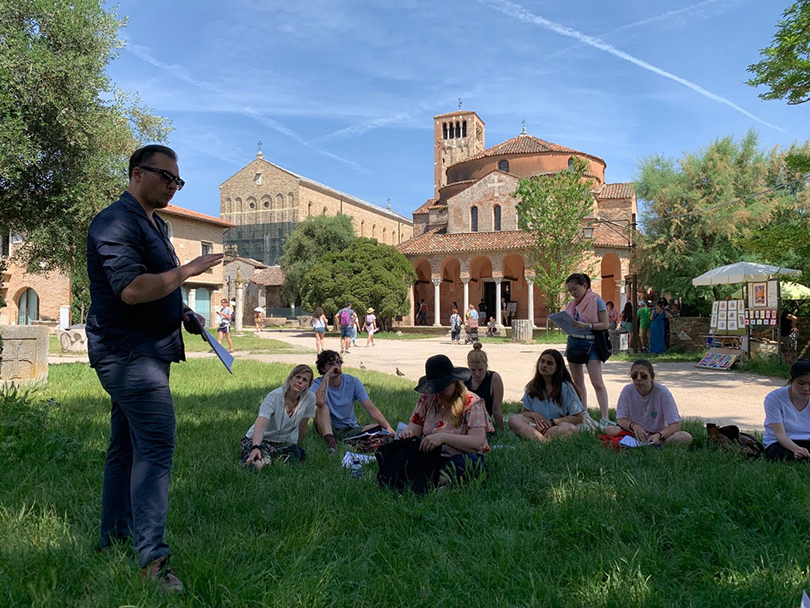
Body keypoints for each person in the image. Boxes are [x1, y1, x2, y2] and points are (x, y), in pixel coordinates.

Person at [86, 144, 223, 592]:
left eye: (177, 181)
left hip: (150, 350)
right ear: (137, 174)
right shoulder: (114, 222)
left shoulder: (156, 224)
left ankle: (113, 537)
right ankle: (152, 562)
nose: (172, 186)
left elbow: (158, 287)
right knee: (156, 449)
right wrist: (191, 269)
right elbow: (130, 289)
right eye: (166, 177)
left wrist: (183, 312)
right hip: (126, 354)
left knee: (125, 446)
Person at [397, 354, 493, 489]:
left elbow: (478, 443)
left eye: (442, 388)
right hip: (431, 457)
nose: (438, 393)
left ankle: (430, 481)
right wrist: (408, 433)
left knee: (470, 463)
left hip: (461, 457)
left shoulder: (472, 403)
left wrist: (443, 438)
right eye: (434, 388)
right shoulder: (427, 399)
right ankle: (437, 482)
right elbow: (414, 429)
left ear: (454, 382)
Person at [311, 350, 394, 453]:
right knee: (323, 407)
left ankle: (352, 443)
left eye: (338, 362)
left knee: (379, 429)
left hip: (348, 428)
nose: (336, 366)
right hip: (327, 426)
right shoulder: (317, 383)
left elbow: (370, 407)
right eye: (331, 364)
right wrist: (327, 376)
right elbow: (319, 401)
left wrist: (388, 427)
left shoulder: (353, 382)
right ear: (323, 368)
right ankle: (331, 444)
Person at [241, 364, 316, 467]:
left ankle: (271, 460)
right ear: (291, 378)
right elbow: (261, 423)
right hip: (261, 439)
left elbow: (303, 426)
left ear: (308, 385)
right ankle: (259, 461)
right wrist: (255, 446)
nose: (300, 381)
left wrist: (298, 443)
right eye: (297, 377)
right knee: (259, 461)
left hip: (284, 442)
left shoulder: (310, 398)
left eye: (304, 380)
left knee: (299, 455)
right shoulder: (274, 396)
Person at [603, 360, 692, 446]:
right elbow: (621, 419)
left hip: (660, 434)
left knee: (685, 437)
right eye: (634, 376)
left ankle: (657, 443)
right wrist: (634, 426)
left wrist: (659, 435)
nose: (638, 379)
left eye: (643, 376)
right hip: (635, 433)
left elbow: (675, 425)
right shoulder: (627, 390)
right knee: (610, 430)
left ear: (652, 377)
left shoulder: (663, 393)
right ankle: (646, 443)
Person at [564, 273, 611, 427]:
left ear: (584, 285)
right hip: (574, 342)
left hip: (592, 344)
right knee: (577, 381)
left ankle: (605, 417)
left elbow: (605, 324)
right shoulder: (571, 305)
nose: (573, 293)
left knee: (597, 381)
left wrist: (587, 325)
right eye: (570, 291)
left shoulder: (596, 301)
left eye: (575, 289)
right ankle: (582, 413)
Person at [509, 349, 584, 442]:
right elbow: (525, 412)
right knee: (514, 420)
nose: (544, 365)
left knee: (569, 429)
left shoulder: (566, 387)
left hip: (558, 426)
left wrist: (553, 422)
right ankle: (543, 441)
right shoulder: (532, 386)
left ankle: (537, 439)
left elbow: (579, 417)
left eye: (550, 363)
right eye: (542, 361)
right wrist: (535, 415)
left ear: (557, 368)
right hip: (537, 425)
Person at [763, 359, 810, 460]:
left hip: (807, 439)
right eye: (801, 383)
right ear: (792, 380)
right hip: (780, 442)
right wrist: (797, 449)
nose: (806, 388)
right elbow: (779, 434)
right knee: (777, 453)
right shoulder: (774, 398)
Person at [464, 342, 504, 431]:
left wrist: (501, 431)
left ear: (486, 366)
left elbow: (496, 408)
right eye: (473, 370)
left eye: (480, 370)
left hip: (484, 423)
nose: (477, 374)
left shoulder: (494, 378)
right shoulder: (464, 379)